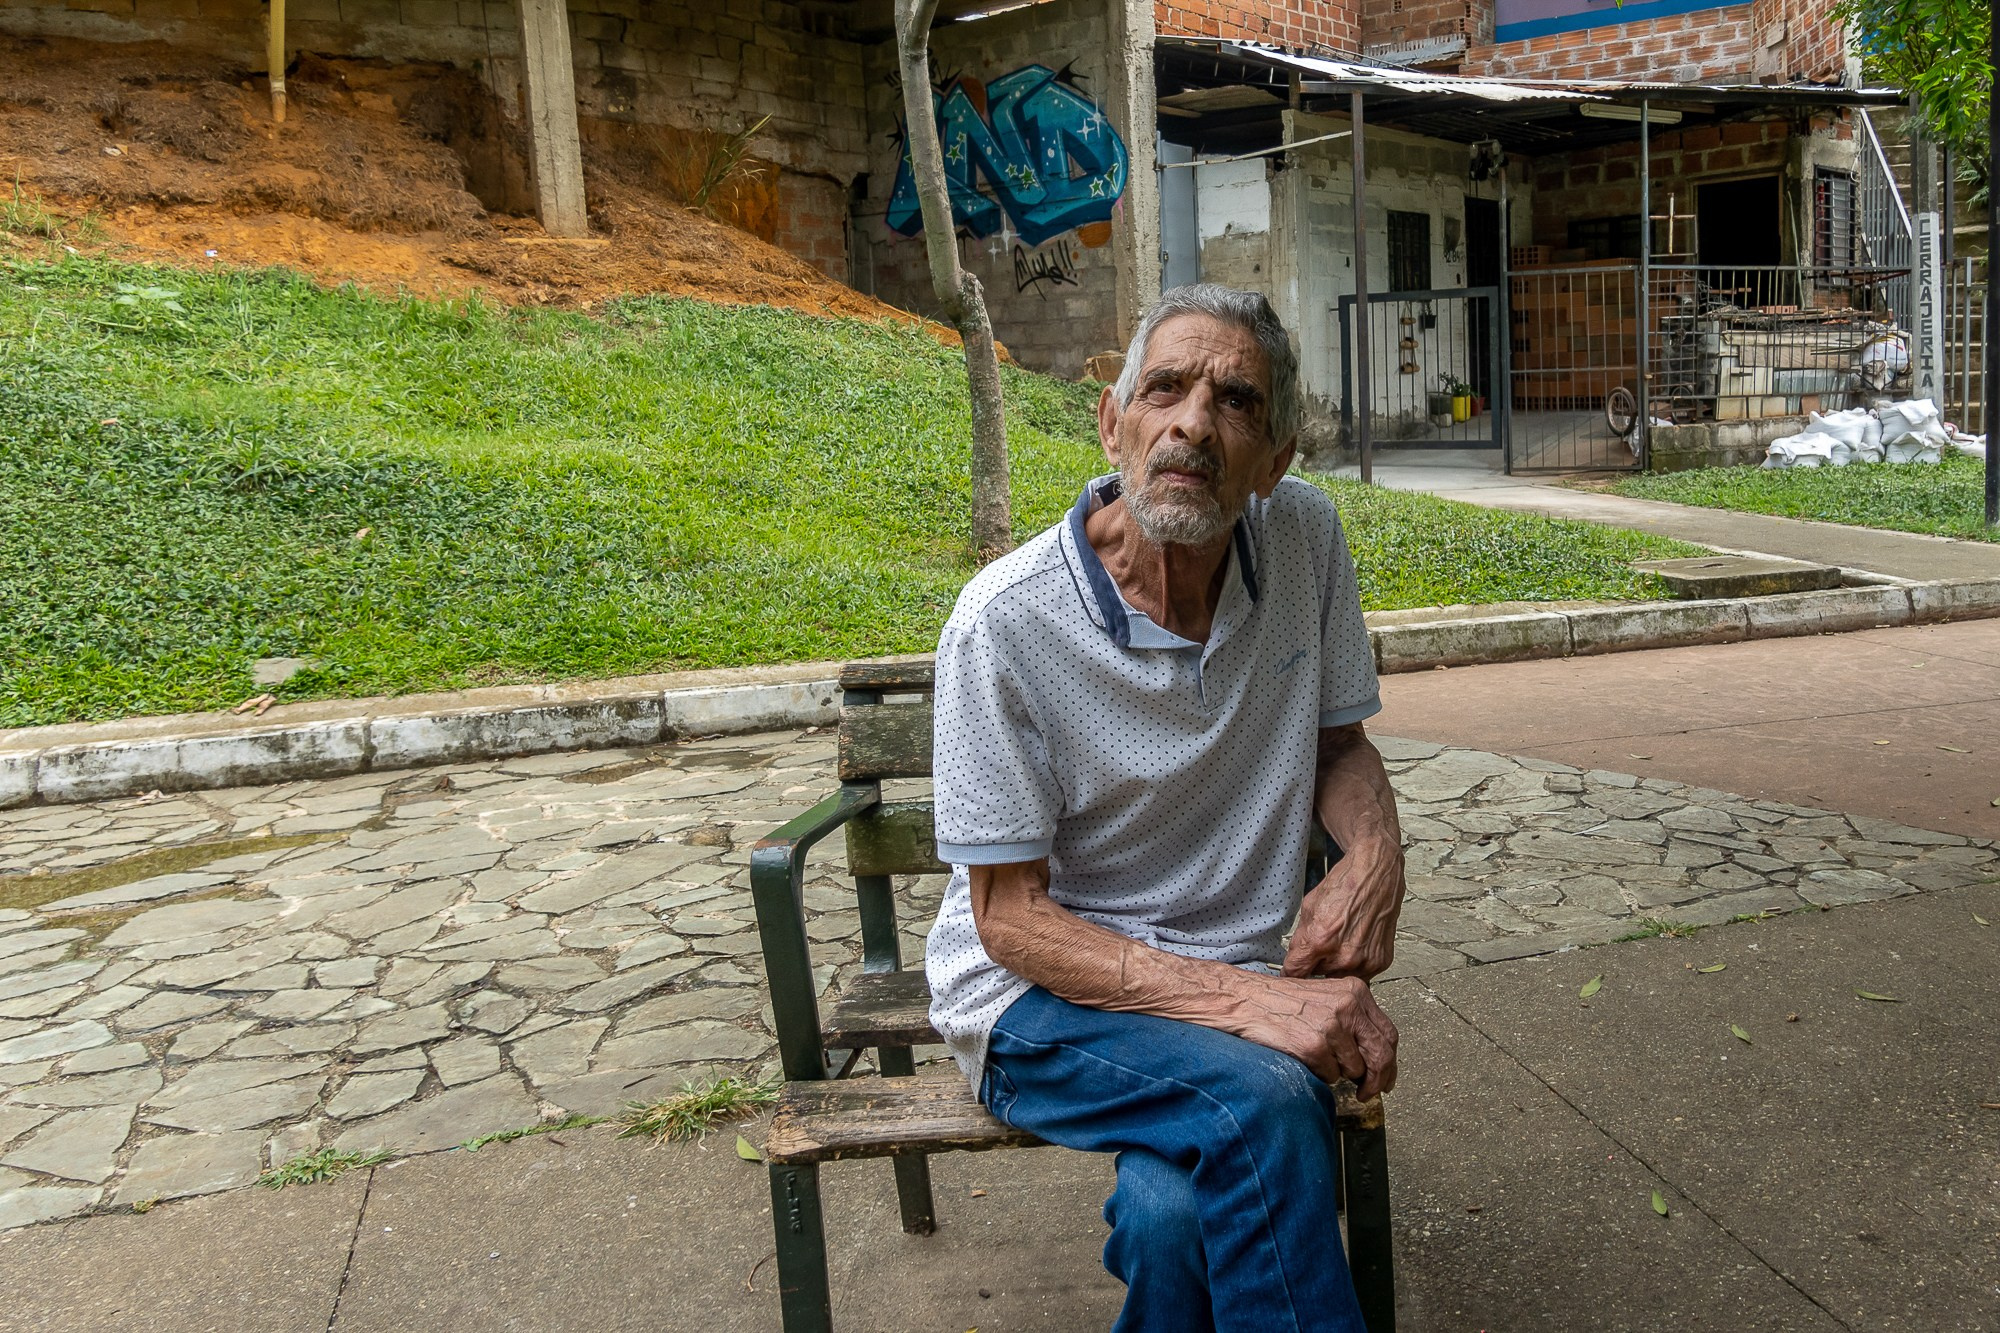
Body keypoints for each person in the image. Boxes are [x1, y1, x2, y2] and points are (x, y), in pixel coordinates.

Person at [925, 284, 1406, 1332]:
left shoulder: (1303, 543)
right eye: (1164, 388)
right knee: (1263, 1100)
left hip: (1219, 972)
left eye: (1235, 401)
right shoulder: (1003, 625)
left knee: (1169, 1217)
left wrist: (1372, 850)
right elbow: (1007, 919)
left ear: (1274, 462)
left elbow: (1340, 747)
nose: (1192, 421)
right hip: (1035, 998)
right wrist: (1251, 1008)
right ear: (1111, 421)